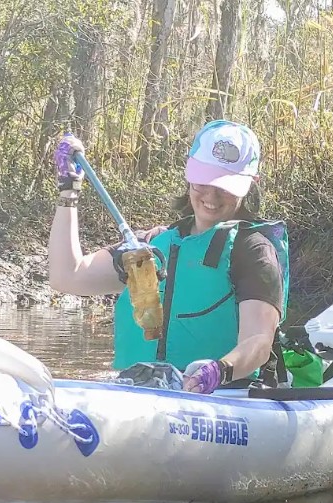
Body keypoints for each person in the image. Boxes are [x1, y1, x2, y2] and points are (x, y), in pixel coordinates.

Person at [47, 120, 290, 394]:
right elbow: (67, 276)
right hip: (141, 391)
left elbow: (258, 341)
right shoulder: (154, 244)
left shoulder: (254, 250)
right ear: (189, 175)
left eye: (225, 186)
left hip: (219, 396)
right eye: (203, 182)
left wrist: (216, 372)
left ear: (249, 185)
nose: (211, 195)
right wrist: (69, 191)